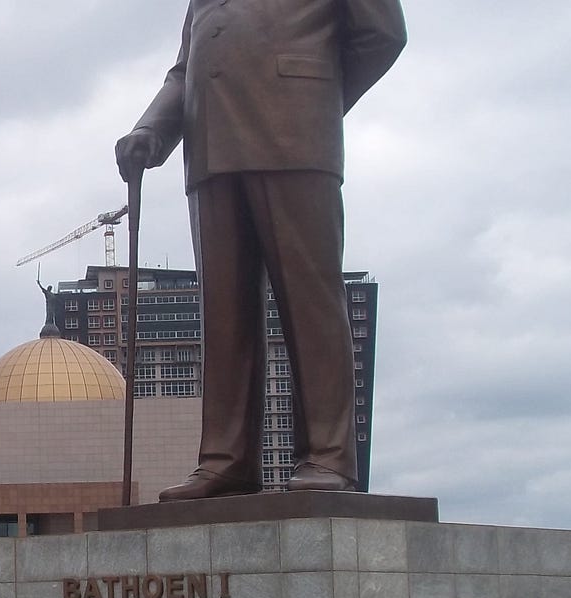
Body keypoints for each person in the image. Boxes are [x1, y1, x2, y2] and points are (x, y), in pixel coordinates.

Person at [116, 0, 406, 501]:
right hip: (212, 150)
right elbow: (186, 69)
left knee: (310, 300)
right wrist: (151, 128)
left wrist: (314, 97)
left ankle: (328, 454)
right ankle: (226, 460)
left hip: (296, 136)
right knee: (224, 314)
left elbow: (381, 35)